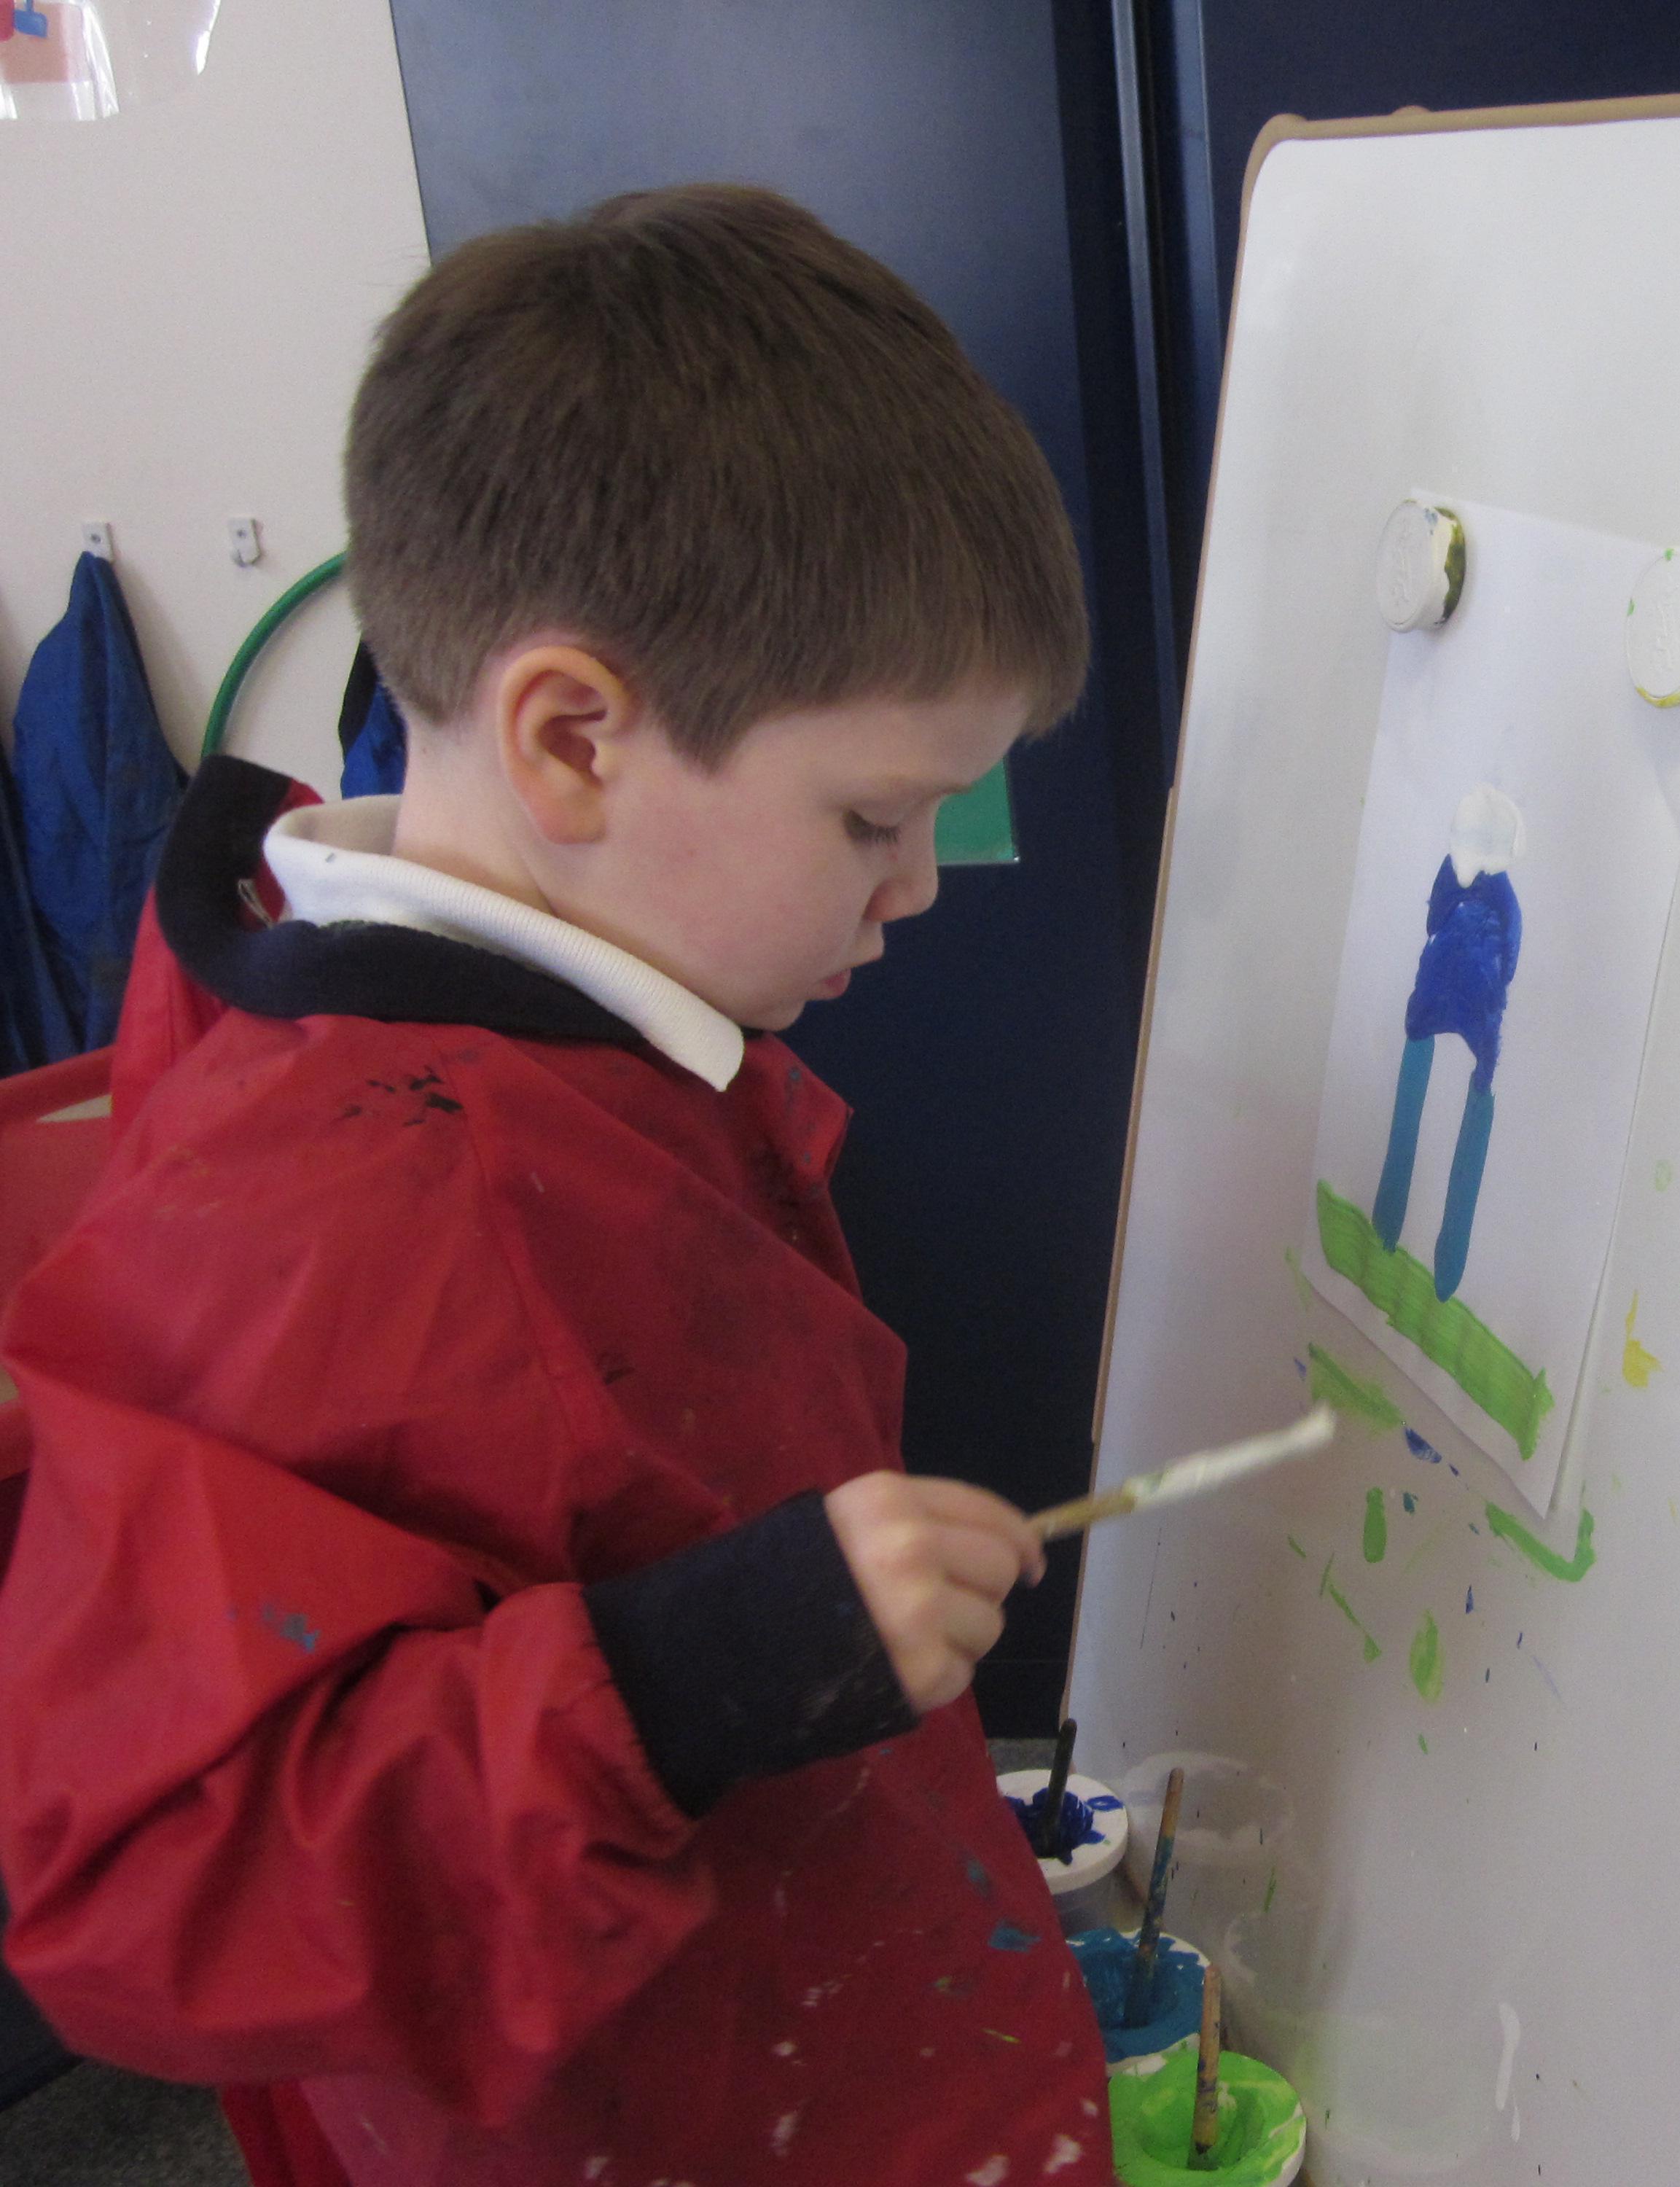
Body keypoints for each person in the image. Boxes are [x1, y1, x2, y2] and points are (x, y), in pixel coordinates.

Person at [0, 186, 1114, 2187]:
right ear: (574, 740)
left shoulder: (576, 1037)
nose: (917, 885)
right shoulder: (337, 1220)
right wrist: (687, 1681)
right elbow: (144, 1881)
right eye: (875, 814)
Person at [1370, 784, 1524, 1300]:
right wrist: (1494, 978)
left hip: (1451, 987)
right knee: (1461, 1081)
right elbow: (1511, 950)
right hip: (1469, 994)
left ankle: (1417, 1247)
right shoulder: (1501, 895)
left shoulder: (1468, 881)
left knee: (1455, 1083)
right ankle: (1409, 1242)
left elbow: (1435, 917)